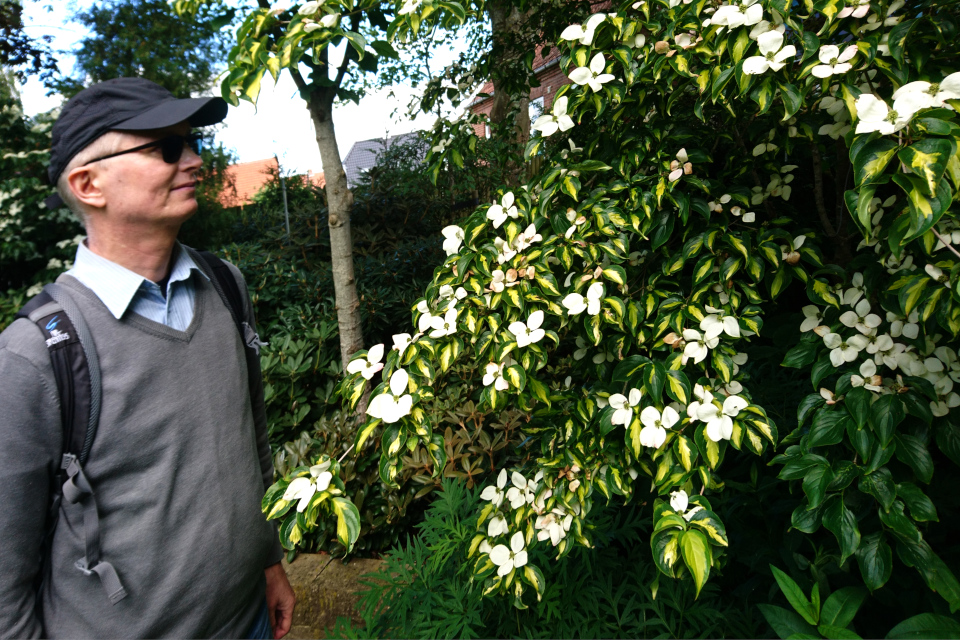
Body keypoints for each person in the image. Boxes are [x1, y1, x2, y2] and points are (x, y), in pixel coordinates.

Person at [0, 78, 296, 638]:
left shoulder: (226, 287)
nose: (195, 161)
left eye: (192, 143)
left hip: (248, 620)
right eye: (166, 148)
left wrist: (268, 558)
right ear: (89, 184)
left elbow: (246, 437)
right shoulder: (35, 355)